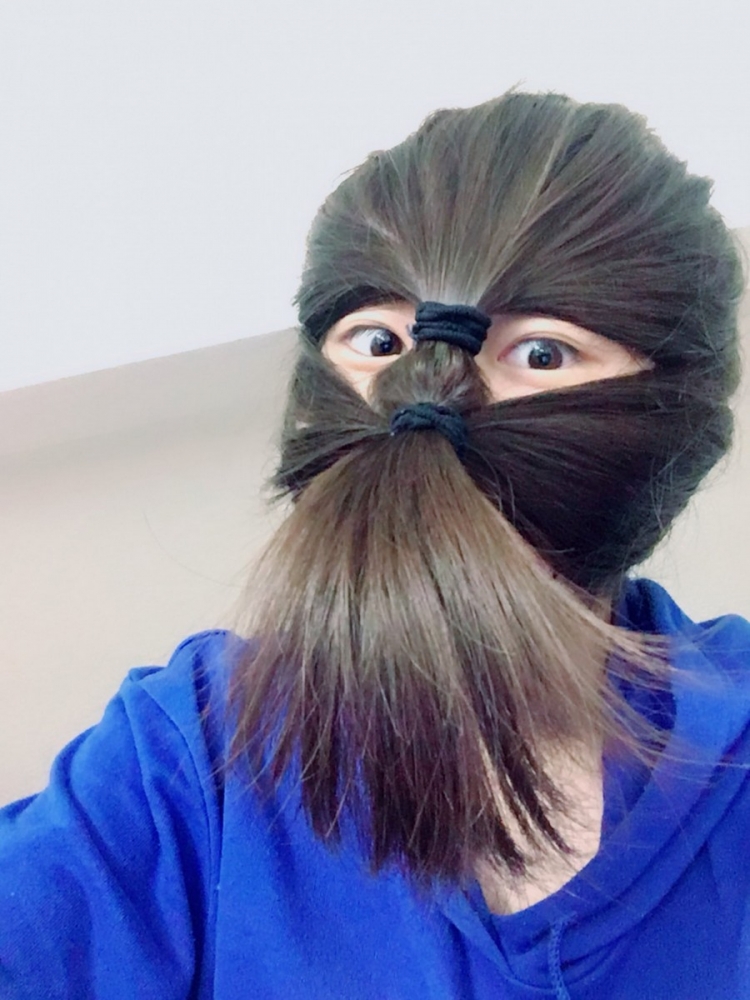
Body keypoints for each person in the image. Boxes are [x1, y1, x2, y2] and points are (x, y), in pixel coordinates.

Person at [1, 86, 748, 1000]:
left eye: (543, 354)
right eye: (379, 339)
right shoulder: (188, 758)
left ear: (676, 419)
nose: (429, 390)